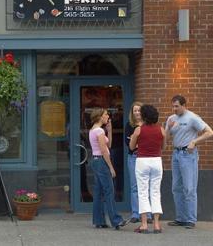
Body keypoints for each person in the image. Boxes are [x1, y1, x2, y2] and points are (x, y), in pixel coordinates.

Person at [165, 95, 213, 229]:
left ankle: (191, 219)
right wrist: (168, 128)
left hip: (188, 155)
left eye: (177, 106)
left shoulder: (192, 117)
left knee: (189, 188)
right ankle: (180, 218)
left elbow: (209, 132)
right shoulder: (171, 119)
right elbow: (166, 139)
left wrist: (194, 141)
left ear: (184, 105)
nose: (174, 109)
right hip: (176, 154)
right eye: (172, 106)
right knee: (176, 187)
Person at [89, 108, 128, 230]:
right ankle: (116, 220)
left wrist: (109, 131)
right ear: (100, 116)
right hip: (101, 161)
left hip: (96, 161)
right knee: (109, 191)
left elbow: (109, 145)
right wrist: (111, 167)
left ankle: (99, 220)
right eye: (106, 114)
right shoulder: (99, 131)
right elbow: (104, 150)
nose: (108, 116)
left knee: (99, 192)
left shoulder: (94, 130)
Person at [130, 104, 165, 234]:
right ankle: (156, 224)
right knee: (155, 191)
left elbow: (132, 147)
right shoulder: (161, 130)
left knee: (142, 192)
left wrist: (135, 141)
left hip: (142, 161)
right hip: (156, 160)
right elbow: (164, 147)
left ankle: (144, 224)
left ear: (144, 116)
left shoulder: (139, 130)